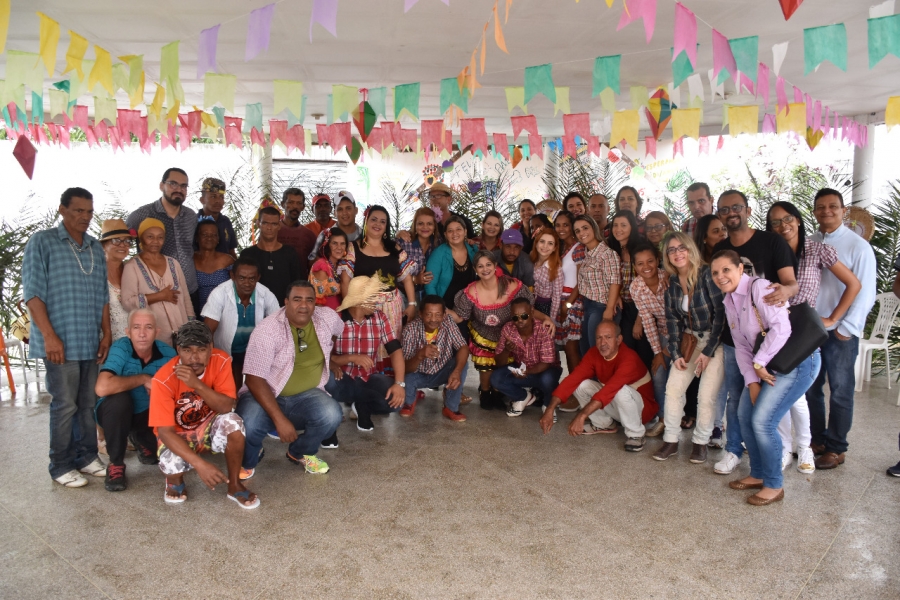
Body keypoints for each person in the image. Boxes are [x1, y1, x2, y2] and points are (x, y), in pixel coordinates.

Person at [710, 250, 820, 505]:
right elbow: (741, 346)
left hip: (797, 362)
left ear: (740, 269)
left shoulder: (759, 288)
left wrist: (759, 363)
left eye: (726, 269)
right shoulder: (729, 300)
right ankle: (758, 473)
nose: (720, 276)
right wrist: (751, 381)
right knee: (744, 415)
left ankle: (774, 484)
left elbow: (782, 328)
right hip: (767, 365)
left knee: (763, 421)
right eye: (715, 273)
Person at [23, 187, 111, 487]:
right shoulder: (43, 242)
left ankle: (86, 457)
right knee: (64, 405)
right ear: (62, 210)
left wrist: (106, 334)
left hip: (89, 340)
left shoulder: (95, 247)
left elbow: (103, 297)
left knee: (87, 404)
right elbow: (33, 294)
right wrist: (49, 337)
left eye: (89, 211)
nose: (85, 217)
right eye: (78, 211)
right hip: (60, 341)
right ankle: (60, 465)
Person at [766, 201, 861, 473]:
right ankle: (786, 447)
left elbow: (853, 284)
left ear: (798, 220)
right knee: (780, 391)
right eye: (775, 222)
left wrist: (832, 319)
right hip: (776, 331)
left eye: (787, 218)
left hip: (804, 333)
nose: (783, 226)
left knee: (801, 394)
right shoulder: (769, 252)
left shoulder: (817, 249)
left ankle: (806, 446)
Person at [711, 189, 799, 476]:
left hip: (772, 340)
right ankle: (734, 450)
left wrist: (784, 292)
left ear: (748, 210)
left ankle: (779, 452)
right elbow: (724, 293)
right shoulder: (721, 249)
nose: (731, 213)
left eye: (736, 207)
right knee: (737, 397)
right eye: (724, 209)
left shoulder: (771, 242)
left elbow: (791, 285)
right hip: (738, 338)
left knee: (770, 403)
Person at [236, 280, 344, 477]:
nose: (304, 305)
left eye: (309, 300)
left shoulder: (327, 318)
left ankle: (300, 452)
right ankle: (250, 459)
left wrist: (329, 357)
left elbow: (337, 331)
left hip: (307, 395)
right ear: (286, 302)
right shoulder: (267, 330)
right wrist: (280, 420)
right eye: (297, 299)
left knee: (332, 415)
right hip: (266, 393)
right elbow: (253, 379)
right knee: (249, 424)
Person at [148, 321, 258, 509]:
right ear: (178, 350)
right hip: (178, 435)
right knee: (171, 464)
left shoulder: (221, 360)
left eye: (201, 349)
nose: (194, 358)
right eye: (187, 350)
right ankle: (174, 482)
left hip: (208, 427)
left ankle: (234, 484)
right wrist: (201, 465)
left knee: (234, 422)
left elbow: (227, 407)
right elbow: (165, 432)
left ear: (211, 348)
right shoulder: (163, 379)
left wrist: (197, 384)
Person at [807, 188, 876, 470]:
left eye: (833, 206)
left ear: (844, 210)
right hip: (812, 328)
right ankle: (817, 440)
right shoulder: (809, 242)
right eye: (821, 207)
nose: (827, 211)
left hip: (840, 331)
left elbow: (866, 291)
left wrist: (846, 327)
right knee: (811, 388)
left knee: (840, 389)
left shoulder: (858, 246)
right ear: (814, 212)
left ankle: (836, 448)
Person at [652, 233, 725, 464]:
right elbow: (672, 320)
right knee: (673, 389)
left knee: (706, 396)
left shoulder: (707, 274)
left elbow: (721, 315)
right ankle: (671, 440)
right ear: (667, 256)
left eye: (681, 247)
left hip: (715, 341)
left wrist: (708, 351)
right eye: (671, 250)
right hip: (689, 341)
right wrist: (675, 353)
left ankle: (700, 442)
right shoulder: (672, 283)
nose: (677, 253)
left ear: (691, 249)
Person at [540, 320, 658, 452]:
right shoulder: (594, 354)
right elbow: (573, 379)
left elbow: (610, 390)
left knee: (620, 390)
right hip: (617, 405)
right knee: (580, 385)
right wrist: (550, 408)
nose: (603, 343)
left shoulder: (629, 358)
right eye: (599, 338)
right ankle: (603, 424)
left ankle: (636, 434)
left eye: (608, 337)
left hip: (642, 412)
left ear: (619, 340)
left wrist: (581, 416)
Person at [449, 250, 546, 410]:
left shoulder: (511, 285)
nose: (485, 269)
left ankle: (497, 392)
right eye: (480, 266)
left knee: (504, 364)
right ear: (475, 269)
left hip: (509, 333)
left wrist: (546, 318)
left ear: (495, 266)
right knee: (485, 366)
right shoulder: (471, 291)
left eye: (488, 264)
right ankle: (485, 392)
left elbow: (528, 308)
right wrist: (442, 312)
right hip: (484, 334)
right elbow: (460, 316)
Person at [94, 309, 177, 491]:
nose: (142, 333)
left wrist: (160, 389)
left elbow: (177, 393)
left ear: (157, 332)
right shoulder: (121, 348)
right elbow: (102, 388)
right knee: (119, 401)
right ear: (128, 332)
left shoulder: (169, 354)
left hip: (147, 414)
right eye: (136, 327)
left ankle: (139, 438)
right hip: (114, 414)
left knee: (158, 454)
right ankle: (116, 463)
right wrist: (144, 379)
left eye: (148, 327)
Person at [326, 277, 407, 432]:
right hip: (342, 379)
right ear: (360, 300)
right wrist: (351, 358)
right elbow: (323, 356)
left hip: (368, 379)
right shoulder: (336, 319)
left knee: (396, 401)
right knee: (327, 379)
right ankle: (332, 412)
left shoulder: (380, 318)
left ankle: (363, 406)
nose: (378, 301)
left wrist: (399, 384)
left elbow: (395, 350)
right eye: (373, 297)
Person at [344, 205, 417, 371]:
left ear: (386, 226)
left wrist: (412, 304)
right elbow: (345, 280)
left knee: (391, 345)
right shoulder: (353, 248)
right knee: (369, 344)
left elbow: (406, 278)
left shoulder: (394, 248)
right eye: (374, 219)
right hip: (365, 307)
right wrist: (350, 307)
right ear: (366, 222)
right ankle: (369, 380)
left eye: (382, 221)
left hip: (392, 307)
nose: (377, 224)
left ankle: (393, 381)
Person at [126, 168, 199, 312]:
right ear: (161, 185)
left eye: (183, 186)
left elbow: (194, 249)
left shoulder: (191, 216)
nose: (179, 189)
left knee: (192, 326)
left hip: (190, 290)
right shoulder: (141, 215)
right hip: (157, 294)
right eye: (173, 184)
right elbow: (122, 244)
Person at [201, 256, 280, 389]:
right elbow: (208, 331)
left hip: (253, 350)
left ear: (258, 277)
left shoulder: (266, 294)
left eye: (252, 279)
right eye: (242, 278)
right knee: (230, 387)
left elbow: (277, 327)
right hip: (225, 350)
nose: (247, 283)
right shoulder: (219, 293)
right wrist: (210, 359)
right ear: (232, 276)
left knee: (254, 387)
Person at [122, 218, 195, 344]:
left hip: (182, 332)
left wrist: (191, 326)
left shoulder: (173, 263)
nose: (155, 241)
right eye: (150, 237)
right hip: (155, 336)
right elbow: (127, 302)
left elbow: (185, 297)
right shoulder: (132, 266)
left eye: (160, 237)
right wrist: (160, 296)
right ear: (141, 238)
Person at [400, 295, 469, 421]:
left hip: (440, 372)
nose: (433, 319)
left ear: (444, 315)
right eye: (428, 314)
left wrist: (457, 372)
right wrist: (420, 355)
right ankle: (409, 401)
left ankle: (450, 407)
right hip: (416, 376)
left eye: (438, 315)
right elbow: (404, 368)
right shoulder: (410, 329)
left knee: (461, 364)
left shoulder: (448, 322)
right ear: (420, 314)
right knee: (406, 377)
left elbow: (463, 347)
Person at [491, 299, 563, 417]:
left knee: (548, 380)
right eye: (515, 317)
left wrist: (527, 372)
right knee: (496, 378)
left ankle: (548, 405)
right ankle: (523, 397)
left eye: (524, 316)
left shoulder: (543, 328)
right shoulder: (508, 329)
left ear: (532, 312)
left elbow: (546, 363)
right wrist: (506, 350)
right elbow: (499, 363)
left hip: (545, 370)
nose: (520, 320)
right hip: (522, 368)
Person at [630, 241, 668, 437]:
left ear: (658, 260)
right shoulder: (636, 287)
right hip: (662, 332)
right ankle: (663, 420)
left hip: (685, 332)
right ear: (634, 266)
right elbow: (647, 320)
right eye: (640, 263)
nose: (646, 267)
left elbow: (680, 315)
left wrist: (670, 348)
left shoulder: (669, 279)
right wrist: (658, 352)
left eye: (650, 261)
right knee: (659, 373)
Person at [609, 211, 654, 369]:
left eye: (623, 225)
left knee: (643, 351)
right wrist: (615, 295)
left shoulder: (640, 250)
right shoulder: (613, 250)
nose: (618, 229)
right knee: (626, 349)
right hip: (624, 308)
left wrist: (639, 321)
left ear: (632, 227)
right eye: (615, 225)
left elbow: (648, 287)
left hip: (642, 308)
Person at [574, 214, 621, 356]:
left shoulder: (607, 253)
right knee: (586, 349)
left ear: (593, 228)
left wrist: (609, 309)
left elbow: (614, 282)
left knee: (598, 351)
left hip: (602, 306)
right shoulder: (587, 253)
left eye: (585, 228)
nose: (582, 233)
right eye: (577, 231)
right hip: (588, 305)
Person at [241, 206, 302, 306]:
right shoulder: (247, 254)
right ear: (258, 224)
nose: (269, 228)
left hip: (284, 310)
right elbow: (241, 285)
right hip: (254, 309)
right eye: (265, 223)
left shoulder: (290, 253)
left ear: (279, 225)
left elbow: (296, 285)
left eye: (274, 224)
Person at [424, 215, 477, 318]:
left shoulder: (473, 251)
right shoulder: (438, 254)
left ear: (465, 231)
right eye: (450, 231)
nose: (454, 233)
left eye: (458, 229)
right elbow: (430, 286)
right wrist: (440, 309)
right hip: (445, 310)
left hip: (469, 309)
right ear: (445, 234)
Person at [555, 210, 586, 381]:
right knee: (568, 349)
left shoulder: (578, 248)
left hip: (572, 302)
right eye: (558, 225)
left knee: (572, 349)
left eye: (565, 225)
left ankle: (577, 387)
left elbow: (581, 281)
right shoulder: (563, 249)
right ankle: (573, 386)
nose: (561, 229)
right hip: (563, 301)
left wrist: (567, 304)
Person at [99, 219, 135, 341]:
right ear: (104, 245)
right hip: (107, 342)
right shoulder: (96, 273)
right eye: (116, 240)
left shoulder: (132, 270)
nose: (122, 245)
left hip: (135, 341)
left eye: (127, 241)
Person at [400, 207, 442, 302]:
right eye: (420, 223)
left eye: (429, 224)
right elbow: (393, 273)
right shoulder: (404, 243)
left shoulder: (438, 243)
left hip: (430, 294)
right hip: (405, 296)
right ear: (414, 225)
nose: (425, 227)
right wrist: (415, 279)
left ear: (434, 226)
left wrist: (468, 241)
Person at [193, 218, 234, 312]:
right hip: (197, 311)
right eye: (204, 234)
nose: (209, 238)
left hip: (225, 311)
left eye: (213, 235)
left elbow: (238, 286)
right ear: (197, 238)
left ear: (218, 238)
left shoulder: (227, 260)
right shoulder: (191, 260)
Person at [308, 191, 363, 260]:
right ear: (334, 213)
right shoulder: (325, 236)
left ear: (356, 210)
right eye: (340, 209)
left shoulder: (366, 236)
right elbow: (312, 261)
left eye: (348, 208)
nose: (344, 213)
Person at [277, 188, 318, 278]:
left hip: (300, 284)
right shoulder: (272, 231)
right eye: (291, 202)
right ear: (283, 204)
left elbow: (314, 266)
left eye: (299, 203)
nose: (295, 206)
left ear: (303, 207)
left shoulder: (309, 235)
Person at [309, 228, 351, 310]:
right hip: (326, 314)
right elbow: (317, 304)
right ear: (327, 245)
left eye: (342, 244)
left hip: (338, 312)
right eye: (334, 243)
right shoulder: (322, 267)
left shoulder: (340, 264)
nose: (339, 247)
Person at [531, 228, 564, 329]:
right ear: (536, 243)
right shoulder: (532, 261)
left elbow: (556, 297)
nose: (545, 246)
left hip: (546, 307)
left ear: (554, 248)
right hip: (531, 303)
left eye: (550, 243)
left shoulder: (556, 269)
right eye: (542, 241)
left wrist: (551, 319)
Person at [196, 178, 237, 258]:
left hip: (225, 265)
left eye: (221, 197)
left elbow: (231, 251)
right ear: (202, 200)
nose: (218, 201)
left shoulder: (226, 222)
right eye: (213, 196)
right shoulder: (193, 222)